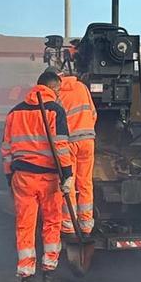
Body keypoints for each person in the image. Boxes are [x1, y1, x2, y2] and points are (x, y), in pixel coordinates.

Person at [1, 71, 75, 282]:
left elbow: (6, 149)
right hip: (49, 178)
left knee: (25, 227)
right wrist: (68, 174)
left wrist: (8, 177)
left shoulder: (15, 112)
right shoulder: (55, 110)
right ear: (53, 88)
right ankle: (49, 277)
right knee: (51, 224)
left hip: (22, 177)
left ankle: (26, 280)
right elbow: (61, 147)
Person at [57, 69, 98, 236]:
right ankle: (86, 224)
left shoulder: (56, 93)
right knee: (86, 182)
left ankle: (69, 224)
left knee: (70, 181)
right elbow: (93, 114)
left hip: (70, 142)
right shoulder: (82, 87)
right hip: (88, 140)